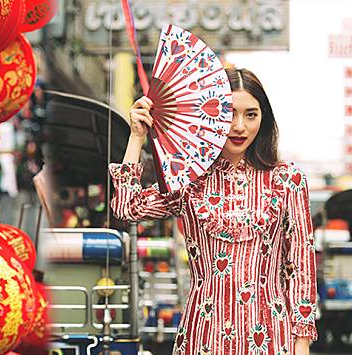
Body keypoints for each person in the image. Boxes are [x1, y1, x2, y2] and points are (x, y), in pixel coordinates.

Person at [110, 68, 316, 355]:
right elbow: (127, 207)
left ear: (263, 118)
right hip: (205, 334)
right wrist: (136, 136)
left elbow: (302, 265)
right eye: (229, 113)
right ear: (213, 115)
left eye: (251, 114)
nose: (239, 126)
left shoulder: (287, 180)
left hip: (271, 334)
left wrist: (301, 342)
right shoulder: (190, 179)